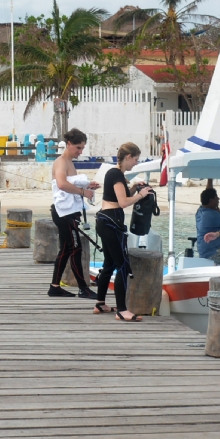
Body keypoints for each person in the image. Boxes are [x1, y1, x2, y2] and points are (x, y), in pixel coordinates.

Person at [95, 142, 153, 321]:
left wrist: (134, 188)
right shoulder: (117, 175)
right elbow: (123, 202)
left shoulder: (114, 173)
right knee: (122, 265)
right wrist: (141, 196)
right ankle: (122, 310)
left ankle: (100, 303)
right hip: (111, 223)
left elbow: (119, 195)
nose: (136, 163)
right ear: (128, 157)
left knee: (109, 264)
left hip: (105, 221)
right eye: (135, 159)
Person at [48, 128, 97, 298]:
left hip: (70, 212)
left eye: (82, 148)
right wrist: (84, 193)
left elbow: (71, 186)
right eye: (78, 147)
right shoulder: (61, 162)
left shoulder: (70, 163)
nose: (80, 151)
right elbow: (61, 184)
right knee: (75, 249)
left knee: (67, 249)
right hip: (64, 214)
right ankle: (83, 288)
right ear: (68, 144)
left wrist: (87, 186)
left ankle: (54, 286)